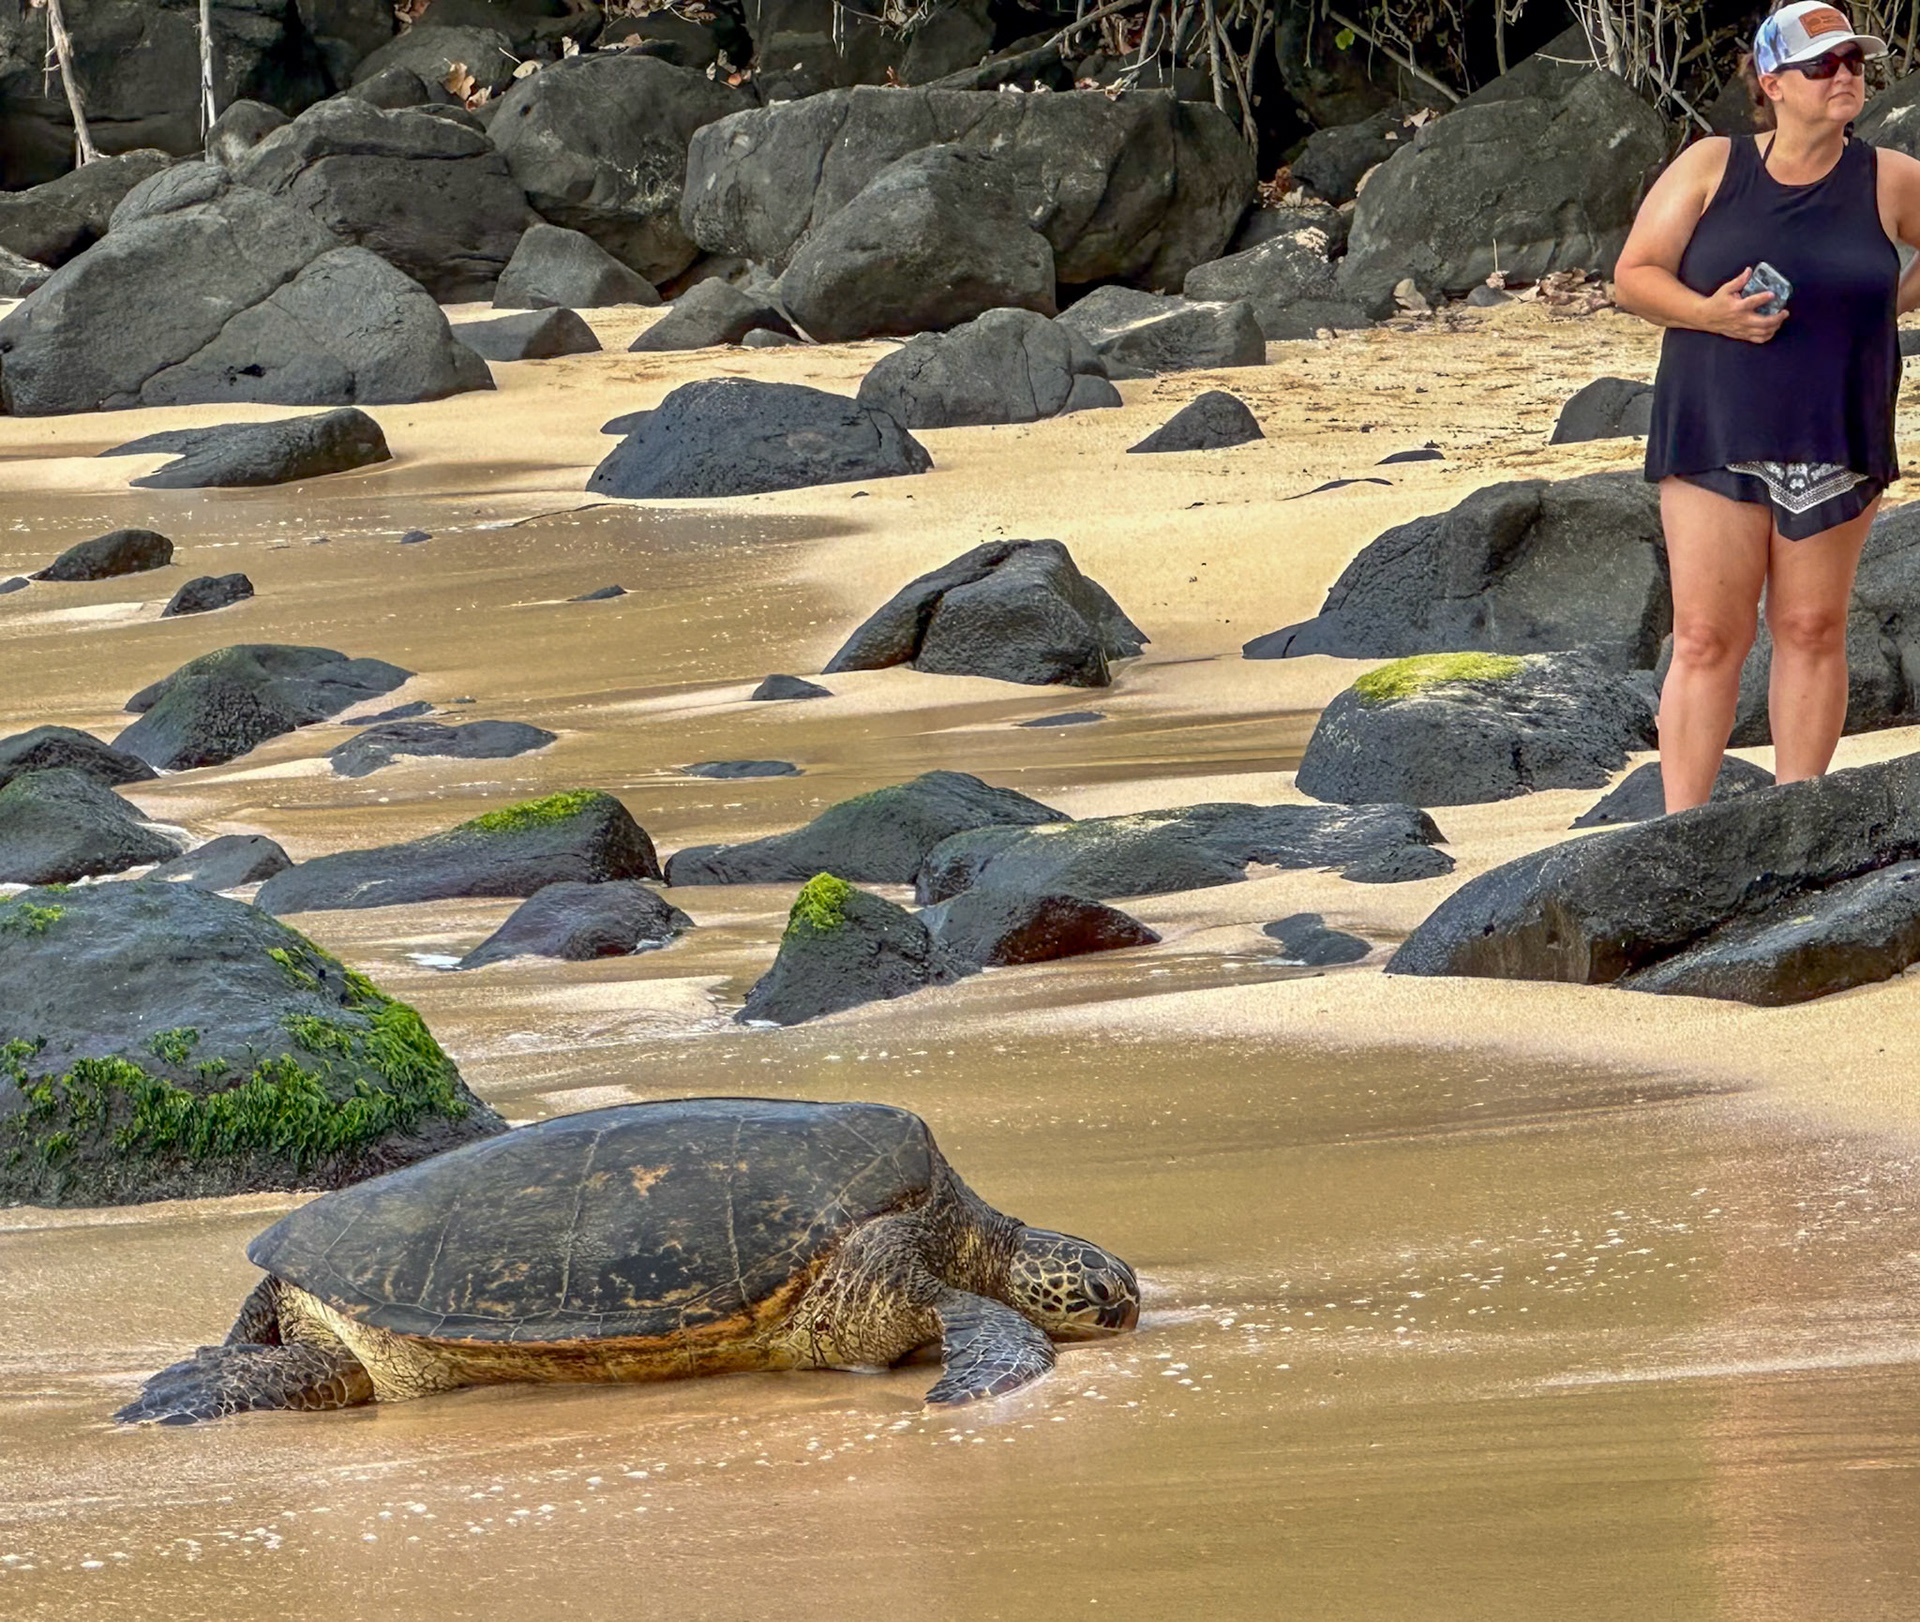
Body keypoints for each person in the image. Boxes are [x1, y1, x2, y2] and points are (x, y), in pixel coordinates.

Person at [1613, 1, 1920, 812]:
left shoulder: (1888, 177)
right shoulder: (1714, 165)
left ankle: (1797, 824)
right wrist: (1709, 313)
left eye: (1854, 61)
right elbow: (1634, 275)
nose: (1846, 75)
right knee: (1710, 637)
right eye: (1824, 65)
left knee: (1813, 630)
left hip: (1839, 427)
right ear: (1774, 82)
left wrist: (1885, 301)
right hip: (1717, 426)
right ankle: (1679, 830)